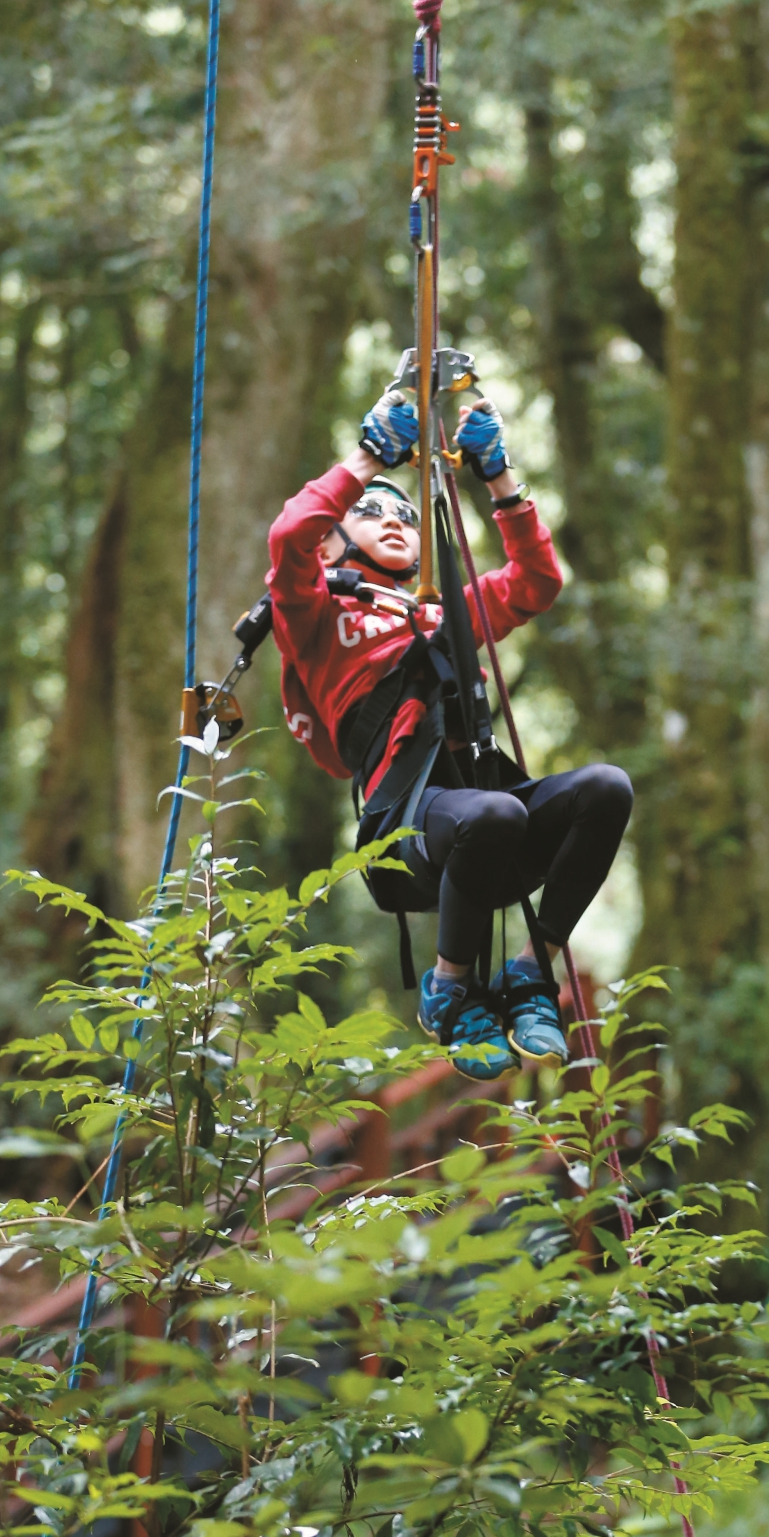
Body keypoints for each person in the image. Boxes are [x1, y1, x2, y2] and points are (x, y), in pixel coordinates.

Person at [266, 384, 633, 1081]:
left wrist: (499, 477)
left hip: (483, 814)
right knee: (494, 814)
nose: (394, 520)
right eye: (370, 512)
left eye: (406, 515)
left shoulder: (448, 613)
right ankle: (451, 989)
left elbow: (537, 581)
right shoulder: (314, 616)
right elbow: (289, 539)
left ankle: (533, 968)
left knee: (606, 789)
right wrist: (369, 459)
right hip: (406, 831)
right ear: (336, 537)